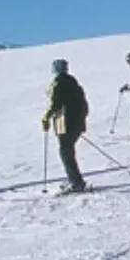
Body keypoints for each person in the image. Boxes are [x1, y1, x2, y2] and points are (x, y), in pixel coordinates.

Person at [40, 59, 89, 194]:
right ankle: (74, 180)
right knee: (67, 151)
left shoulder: (58, 84)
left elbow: (56, 103)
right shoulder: (73, 83)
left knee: (66, 152)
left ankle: (76, 183)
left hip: (65, 123)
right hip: (76, 122)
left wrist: (46, 117)